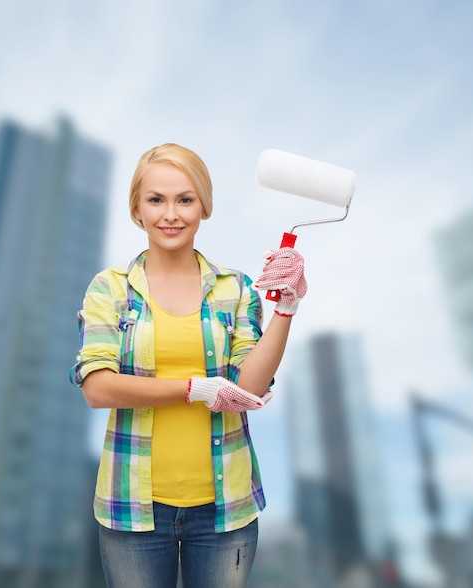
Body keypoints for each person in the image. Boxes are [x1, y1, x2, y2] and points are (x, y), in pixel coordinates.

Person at [69, 142, 307, 588]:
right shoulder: (110, 289)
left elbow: (248, 388)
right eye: (156, 199)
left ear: (204, 207)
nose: (171, 214)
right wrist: (196, 389)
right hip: (132, 507)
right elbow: (98, 388)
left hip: (226, 508)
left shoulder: (235, 288)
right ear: (137, 208)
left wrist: (286, 310)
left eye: (185, 199)